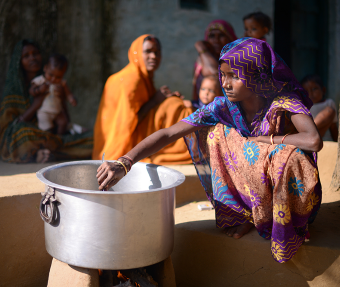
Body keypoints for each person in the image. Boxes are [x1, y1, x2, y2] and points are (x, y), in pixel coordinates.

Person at [97, 38, 323, 263]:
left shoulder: (283, 100)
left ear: (256, 75)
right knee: (216, 134)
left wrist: (266, 139)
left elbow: (313, 140)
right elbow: (169, 133)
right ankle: (248, 214)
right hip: (255, 184)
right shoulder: (223, 107)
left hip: (289, 191)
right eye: (222, 75)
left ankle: (282, 222)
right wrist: (124, 162)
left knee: (287, 156)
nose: (225, 83)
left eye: (234, 76)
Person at [92, 34, 193, 165]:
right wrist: (156, 101)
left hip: (131, 134)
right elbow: (127, 123)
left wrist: (163, 98)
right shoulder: (132, 81)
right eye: (148, 51)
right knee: (176, 107)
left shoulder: (143, 78)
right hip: (122, 143)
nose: (154, 56)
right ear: (137, 53)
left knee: (174, 104)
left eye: (157, 52)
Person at [0, 40, 92, 163]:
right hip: (31, 135)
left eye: (36, 53)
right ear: (18, 61)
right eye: (26, 56)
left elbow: (65, 118)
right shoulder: (14, 88)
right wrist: (36, 104)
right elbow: (9, 130)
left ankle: (49, 151)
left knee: (93, 137)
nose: (33, 58)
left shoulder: (54, 79)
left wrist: (64, 100)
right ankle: (40, 153)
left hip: (53, 135)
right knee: (22, 133)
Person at [27, 53, 78, 135]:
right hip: (44, 112)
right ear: (45, 68)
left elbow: (68, 94)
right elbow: (31, 91)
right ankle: (49, 140)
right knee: (47, 129)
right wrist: (39, 90)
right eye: (51, 75)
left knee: (63, 123)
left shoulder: (62, 83)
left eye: (58, 77)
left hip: (58, 111)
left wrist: (72, 99)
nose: (53, 79)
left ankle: (59, 139)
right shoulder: (41, 80)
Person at [193, 20, 237, 102]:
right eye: (212, 36)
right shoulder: (203, 59)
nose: (216, 40)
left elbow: (216, 75)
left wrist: (202, 49)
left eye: (221, 35)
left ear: (230, 38)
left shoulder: (237, 61)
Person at [301, 74, 338, 141]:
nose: (310, 93)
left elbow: (333, 127)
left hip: (324, 140)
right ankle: (307, 133)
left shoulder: (328, 103)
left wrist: (337, 142)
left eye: (314, 89)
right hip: (309, 140)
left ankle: (307, 132)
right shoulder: (302, 107)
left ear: (323, 90)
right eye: (306, 91)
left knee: (329, 111)